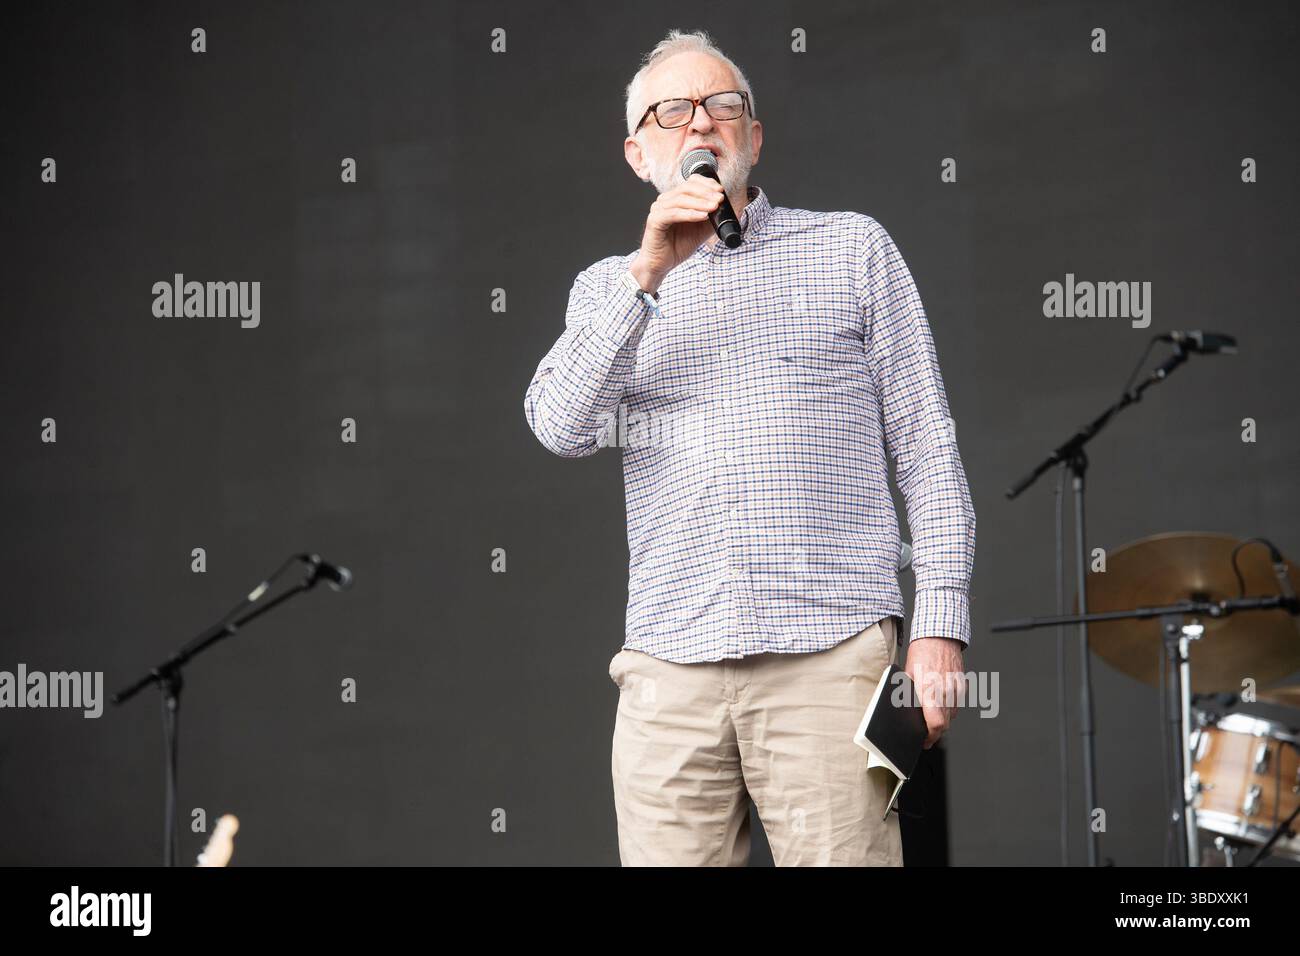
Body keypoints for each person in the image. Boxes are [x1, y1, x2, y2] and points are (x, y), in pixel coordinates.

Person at [523, 29, 976, 866]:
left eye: (722, 106)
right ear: (637, 153)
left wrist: (939, 625)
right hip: (669, 672)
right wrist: (648, 273)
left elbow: (927, 445)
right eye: (672, 112)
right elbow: (560, 426)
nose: (700, 125)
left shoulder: (850, 248)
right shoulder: (607, 287)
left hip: (830, 655)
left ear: (753, 136)